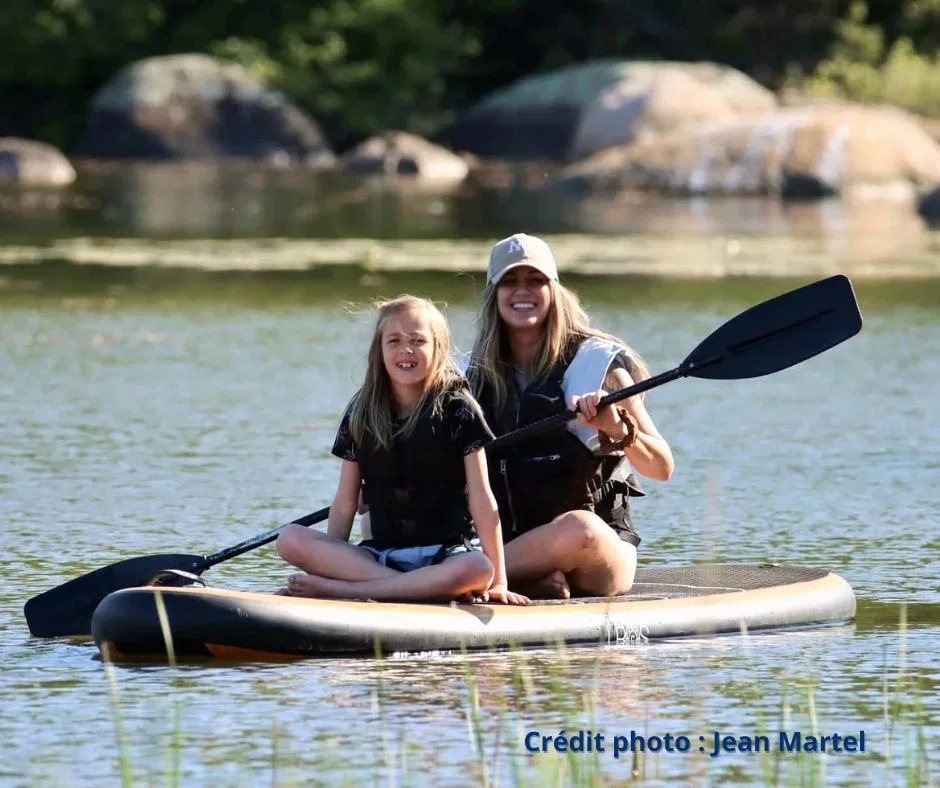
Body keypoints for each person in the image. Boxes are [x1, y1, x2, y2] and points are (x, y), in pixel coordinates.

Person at [277, 295, 528, 605]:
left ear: (438, 348)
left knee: (477, 568)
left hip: (444, 556)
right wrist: (329, 564)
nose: (405, 350)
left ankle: (349, 592)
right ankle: (410, 588)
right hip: (378, 557)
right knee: (290, 538)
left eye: (418, 340)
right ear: (379, 351)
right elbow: (344, 502)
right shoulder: (360, 412)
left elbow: (481, 498)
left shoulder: (460, 410)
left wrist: (499, 581)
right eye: (393, 340)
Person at [465, 234, 674, 600]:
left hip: (595, 552)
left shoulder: (596, 366)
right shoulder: (469, 377)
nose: (522, 291)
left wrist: (614, 426)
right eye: (510, 282)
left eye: (535, 281)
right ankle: (532, 579)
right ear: (493, 295)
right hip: (513, 544)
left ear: (554, 290)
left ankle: (456, 577)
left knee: (581, 529)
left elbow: (661, 467)